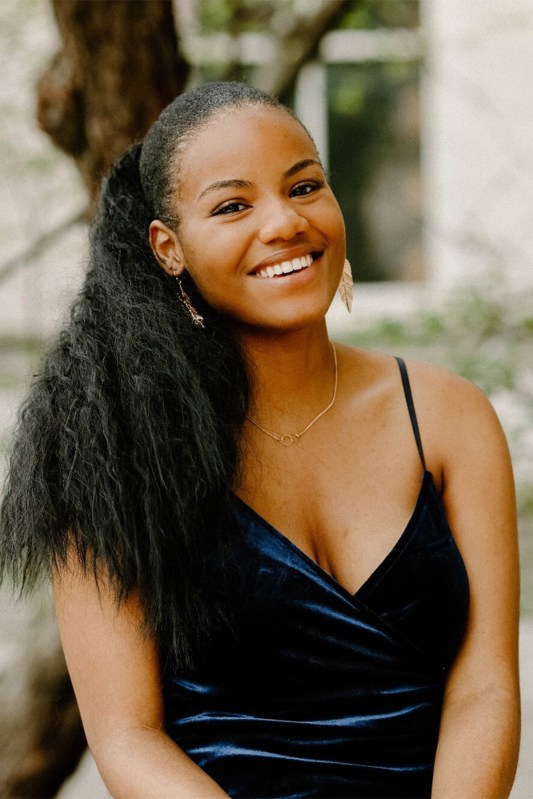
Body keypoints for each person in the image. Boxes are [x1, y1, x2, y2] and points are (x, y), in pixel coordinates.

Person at [0, 81, 520, 799]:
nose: (284, 222)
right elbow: (126, 735)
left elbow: (485, 683)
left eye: (304, 185)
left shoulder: (449, 416)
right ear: (168, 247)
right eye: (232, 205)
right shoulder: (107, 452)